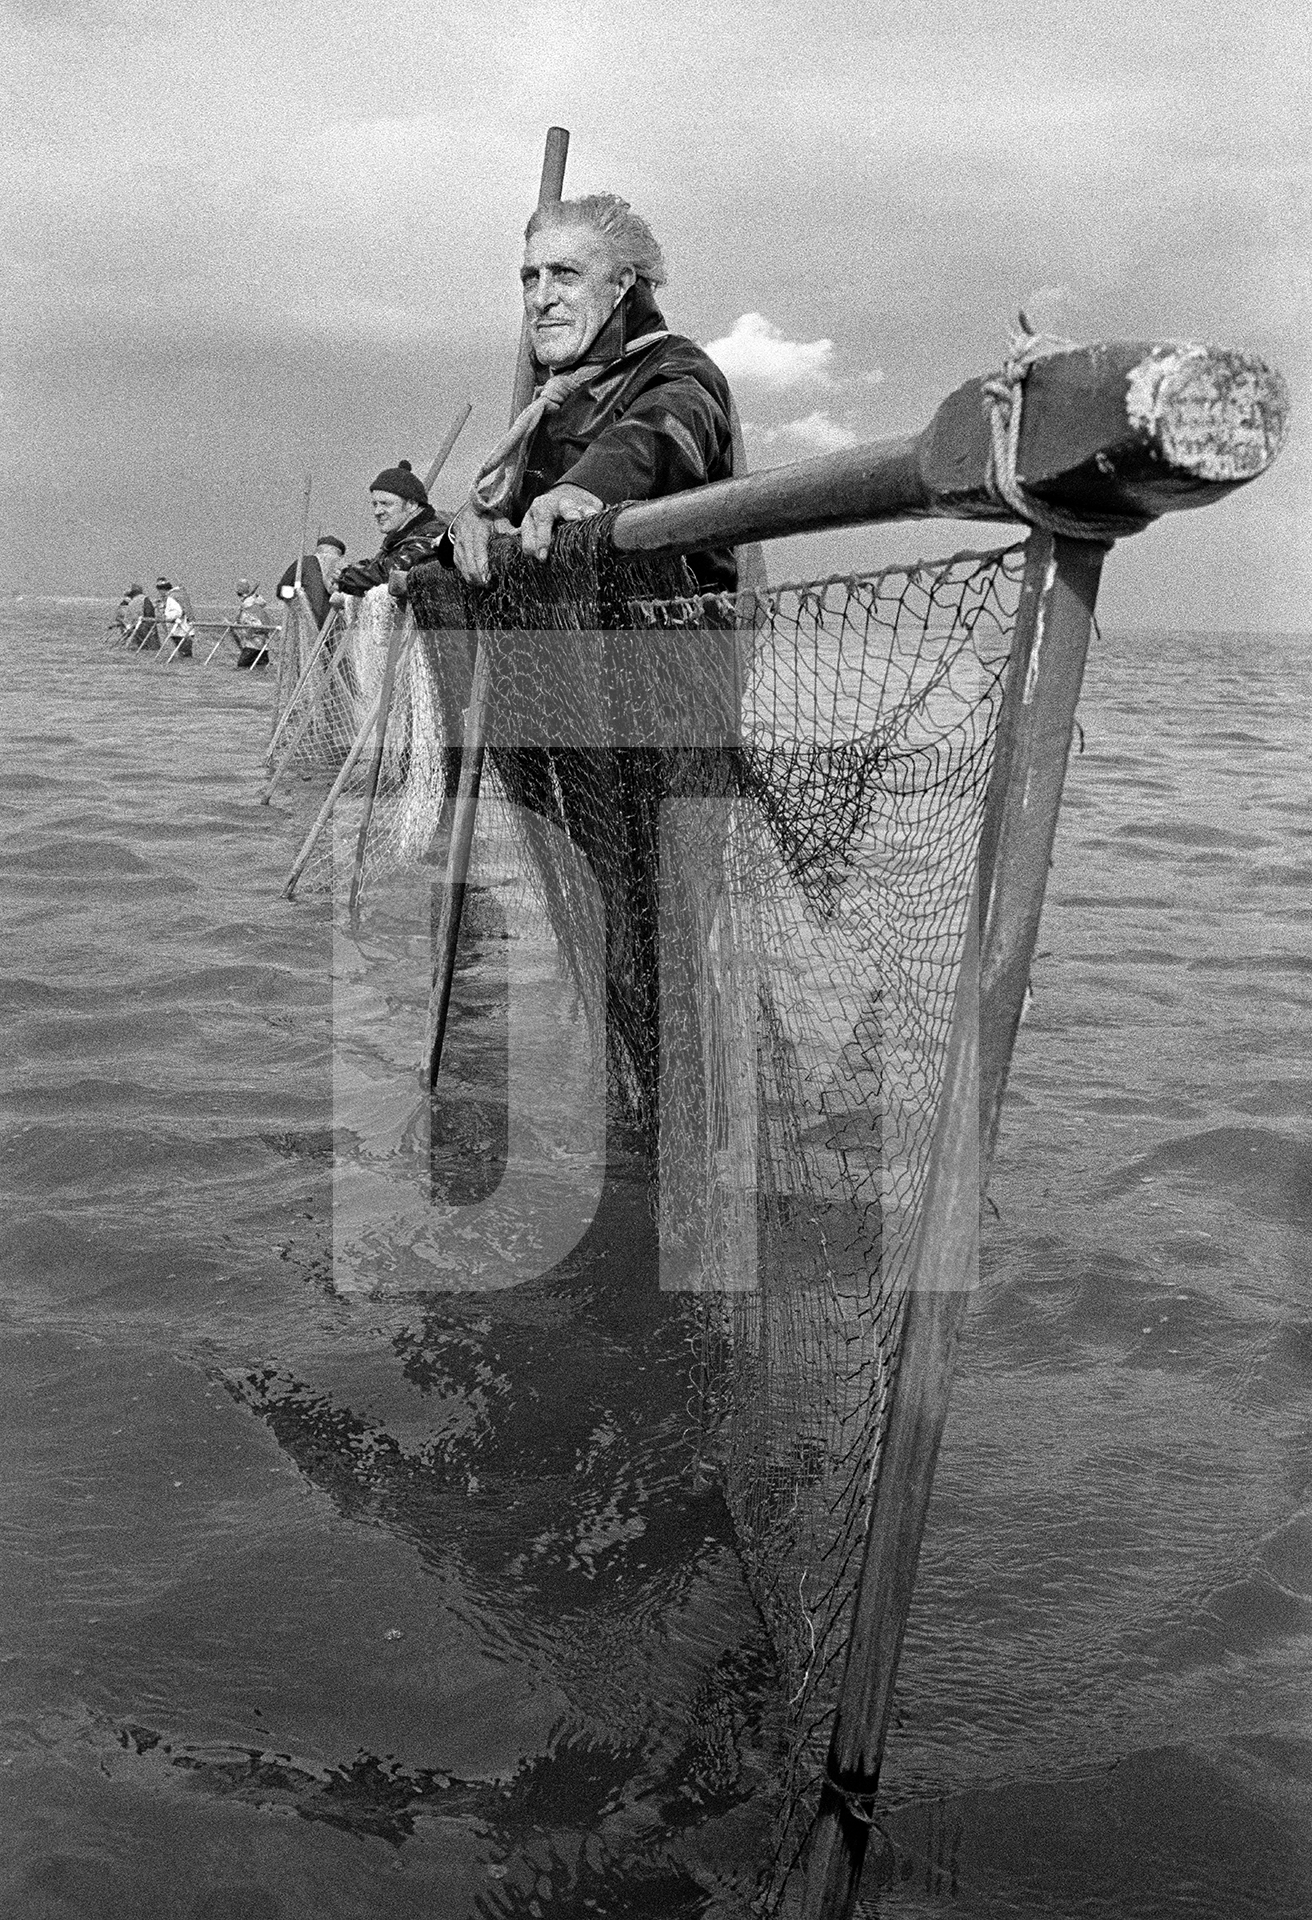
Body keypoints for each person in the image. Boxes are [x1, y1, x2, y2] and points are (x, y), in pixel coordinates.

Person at [440, 193, 737, 593]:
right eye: (531, 277)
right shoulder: (552, 399)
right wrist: (470, 522)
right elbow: (502, 524)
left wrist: (588, 487)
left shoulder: (678, 367)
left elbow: (666, 427)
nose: (541, 299)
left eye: (565, 274)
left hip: (667, 644)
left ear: (620, 284)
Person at [332, 465, 451, 601]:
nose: (377, 512)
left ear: (411, 505)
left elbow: (389, 573)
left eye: (385, 504)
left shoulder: (431, 537)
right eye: (375, 504)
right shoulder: (398, 539)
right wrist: (345, 575)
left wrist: (344, 577)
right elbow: (378, 565)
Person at [276, 534, 346, 630]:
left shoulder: (342, 572)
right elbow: (281, 590)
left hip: (333, 629)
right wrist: (296, 594)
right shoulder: (305, 563)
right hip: (305, 626)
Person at [233, 578, 273, 669]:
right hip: (262, 644)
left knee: (242, 666)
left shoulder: (248, 604)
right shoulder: (254, 602)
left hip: (253, 644)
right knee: (261, 667)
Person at [155, 576, 196, 658]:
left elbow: (177, 612)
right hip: (187, 627)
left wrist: (165, 617)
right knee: (185, 653)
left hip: (180, 629)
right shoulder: (180, 595)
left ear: (162, 589)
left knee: (184, 653)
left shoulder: (172, 597)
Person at [120, 583, 153, 647]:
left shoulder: (131, 602)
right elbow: (149, 613)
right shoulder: (143, 599)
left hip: (129, 625)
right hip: (141, 624)